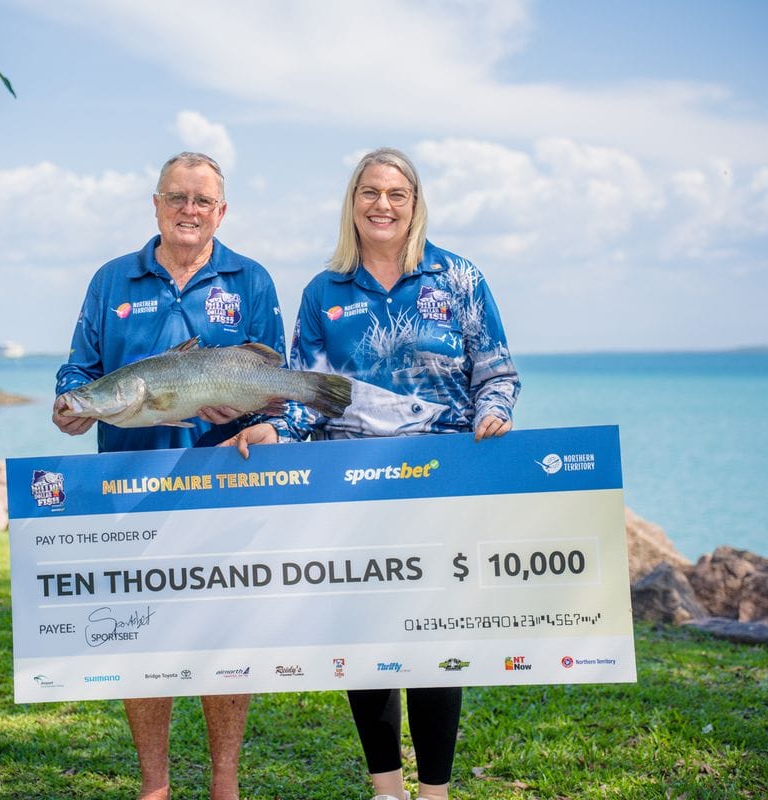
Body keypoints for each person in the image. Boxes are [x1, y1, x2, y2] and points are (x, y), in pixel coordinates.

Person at [225, 147, 520, 800]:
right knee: (367, 640)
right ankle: (387, 790)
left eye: (396, 194)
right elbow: (309, 393)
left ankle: (435, 792)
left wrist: (493, 413)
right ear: (352, 203)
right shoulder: (324, 293)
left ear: (415, 205)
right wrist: (279, 429)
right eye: (369, 192)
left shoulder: (459, 278)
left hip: (441, 485)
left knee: (436, 638)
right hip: (350, 490)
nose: (381, 205)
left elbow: (496, 372)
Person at [53, 151, 286, 800]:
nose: (189, 210)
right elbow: (78, 371)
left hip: (225, 487)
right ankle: (154, 785)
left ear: (221, 211)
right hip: (129, 489)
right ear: (155, 204)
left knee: (223, 634)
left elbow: (278, 387)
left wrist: (257, 419)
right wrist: (68, 404)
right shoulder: (111, 281)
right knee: (140, 633)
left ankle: (224, 780)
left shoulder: (252, 281)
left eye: (202, 201)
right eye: (177, 198)